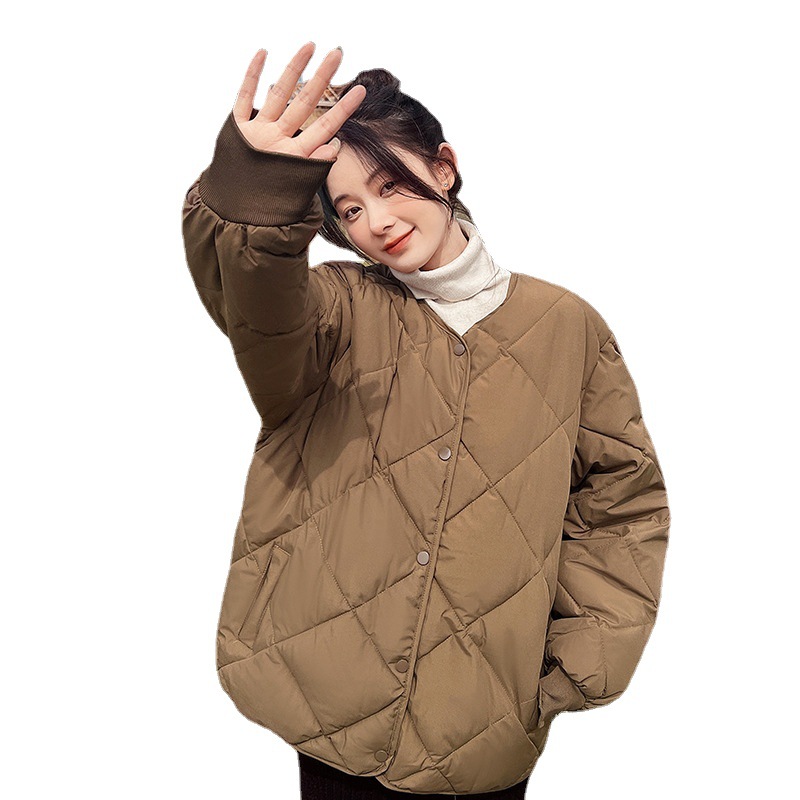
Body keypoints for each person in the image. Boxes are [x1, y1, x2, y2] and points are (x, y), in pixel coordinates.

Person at [181, 42, 670, 799]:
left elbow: (621, 500)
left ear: (443, 167)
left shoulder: (567, 326)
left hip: (486, 716)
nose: (377, 221)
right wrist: (255, 187)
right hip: (331, 706)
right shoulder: (334, 307)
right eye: (349, 209)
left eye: (390, 185)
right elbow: (254, 298)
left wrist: (582, 655)